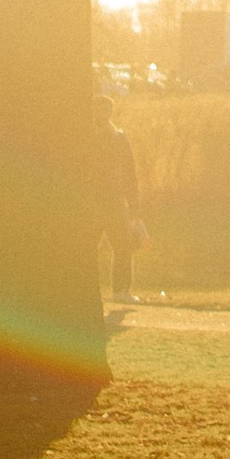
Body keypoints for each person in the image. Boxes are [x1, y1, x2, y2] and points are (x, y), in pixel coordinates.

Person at [94, 91, 146, 311]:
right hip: (92, 202)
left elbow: (129, 171)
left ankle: (121, 290)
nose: (103, 114)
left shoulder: (118, 137)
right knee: (86, 248)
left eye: (107, 110)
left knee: (123, 246)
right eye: (99, 109)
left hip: (114, 201)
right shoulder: (86, 137)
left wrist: (133, 204)